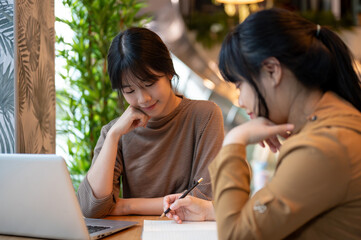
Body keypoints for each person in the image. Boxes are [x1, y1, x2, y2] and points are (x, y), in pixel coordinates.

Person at [163, 8, 361, 239]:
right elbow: (278, 210)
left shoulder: (323, 146)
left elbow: (236, 235)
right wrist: (211, 210)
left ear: (272, 71)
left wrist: (234, 142)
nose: (240, 100)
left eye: (240, 85)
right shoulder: (331, 125)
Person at [77, 27, 224, 218]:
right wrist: (113, 137)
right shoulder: (116, 132)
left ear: (169, 72)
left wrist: (125, 206)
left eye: (149, 84)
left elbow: (203, 200)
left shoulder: (205, 116)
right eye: (129, 91)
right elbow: (90, 208)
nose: (143, 98)